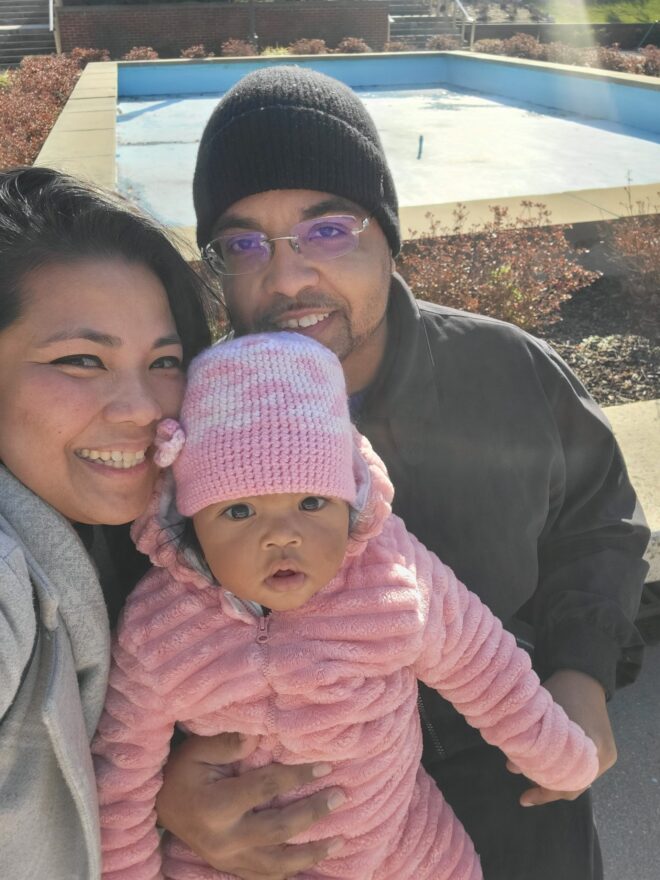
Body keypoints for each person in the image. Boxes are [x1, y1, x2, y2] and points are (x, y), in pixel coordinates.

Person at [152, 67, 650, 880]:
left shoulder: (509, 372)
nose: (285, 278)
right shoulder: (192, 424)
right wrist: (166, 793)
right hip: (297, 825)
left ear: (389, 234)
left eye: (328, 230)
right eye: (244, 244)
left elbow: (598, 521)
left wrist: (581, 672)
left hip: (511, 790)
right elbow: (140, 627)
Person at [92, 331, 599, 880]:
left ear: (350, 501)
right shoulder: (160, 627)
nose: (281, 536)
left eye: (312, 502)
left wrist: (558, 756)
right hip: (227, 859)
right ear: (188, 520)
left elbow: (483, 663)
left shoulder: (388, 575)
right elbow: (122, 774)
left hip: (402, 849)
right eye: (238, 512)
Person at [0, 165, 216, 879]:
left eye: (165, 361)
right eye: (81, 360)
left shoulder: (173, 532)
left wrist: (153, 791)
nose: (140, 407)